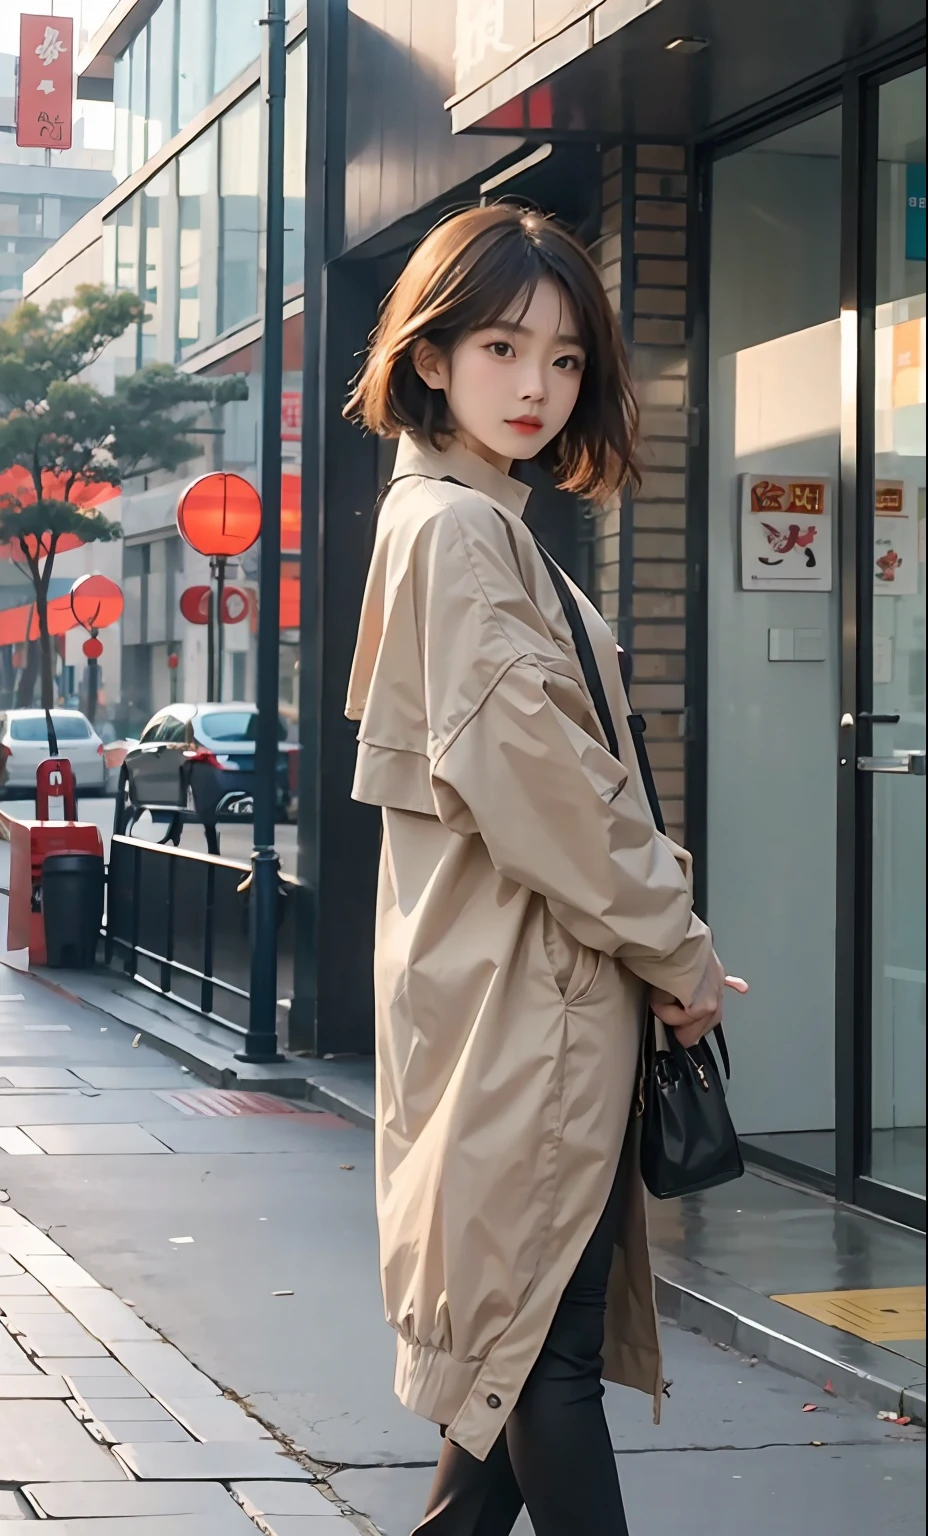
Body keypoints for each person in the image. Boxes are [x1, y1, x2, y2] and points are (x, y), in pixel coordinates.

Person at [345, 205, 747, 1535]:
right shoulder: (461, 532)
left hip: (517, 1011)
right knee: (542, 1367)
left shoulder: (458, 521)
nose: (535, 385)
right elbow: (555, 800)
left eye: (567, 359)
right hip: (533, 1022)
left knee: (513, 1372)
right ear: (432, 353)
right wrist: (676, 950)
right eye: (503, 345)